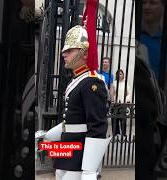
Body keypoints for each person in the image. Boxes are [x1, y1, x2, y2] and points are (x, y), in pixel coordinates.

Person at [43, 25, 111, 180]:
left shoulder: (92, 82)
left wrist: (89, 169)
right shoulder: (77, 79)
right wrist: (48, 135)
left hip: (81, 155)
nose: (63, 54)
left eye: (69, 50)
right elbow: (73, 120)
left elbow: (97, 126)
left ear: (85, 53)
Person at [140, 0, 167, 128]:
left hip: (155, 108)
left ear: (163, 7)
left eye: (153, 2)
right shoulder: (134, 36)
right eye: (144, 2)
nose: (147, 6)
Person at [111, 69, 131, 137]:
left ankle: (123, 133)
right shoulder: (114, 83)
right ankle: (116, 133)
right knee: (114, 118)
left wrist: (126, 100)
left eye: (121, 74)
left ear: (123, 75)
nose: (119, 75)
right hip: (116, 103)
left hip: (123, 103)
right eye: (118, 74)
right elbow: (112, 93)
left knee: (123, 119)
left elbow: (129, 93)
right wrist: (113, 100)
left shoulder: (126, 83)